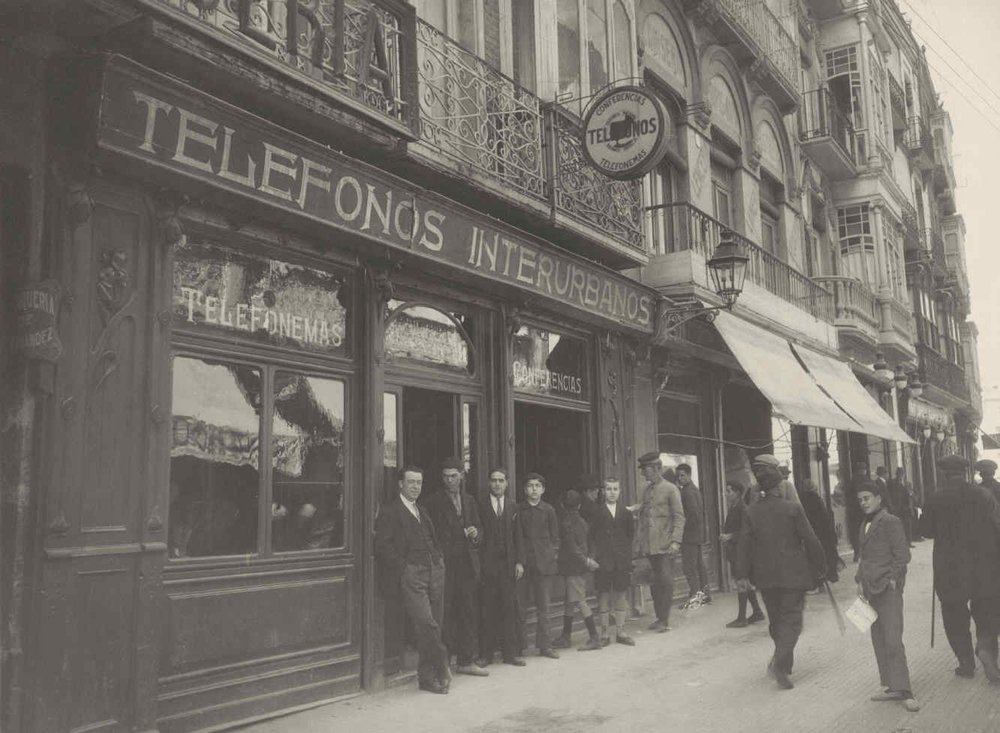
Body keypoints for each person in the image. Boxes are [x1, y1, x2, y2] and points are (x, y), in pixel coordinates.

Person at [735, 454, 826, 690]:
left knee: (776, 621)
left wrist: (742, 575)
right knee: (792, 621)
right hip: (793, 575)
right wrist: (821, 567)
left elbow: (743, 545)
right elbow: (811, 540)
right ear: (780, 485)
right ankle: (780, 663)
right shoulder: (793, 508)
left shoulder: (751, 512)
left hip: (765, 577)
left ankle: (784, 665)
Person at [919, 454, 1000, 682]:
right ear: (966, 473)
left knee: (954, 614)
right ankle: (985, 648)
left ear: (944, 474)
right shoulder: (982, 495)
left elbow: (925, 531)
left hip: (949, 567)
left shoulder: (935, 498)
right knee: (986, 611)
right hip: (982, 564)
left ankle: (965, 663)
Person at [374, 466, 451, 694]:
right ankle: (442, 661)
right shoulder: (391, 511)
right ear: (401, 484)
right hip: (413, 574)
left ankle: (427, 678)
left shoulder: (422, 510)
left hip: (435, 571)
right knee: (426, 623)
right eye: (411, 482)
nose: (415, 487)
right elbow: (383, 546)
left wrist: (439, 561)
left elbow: (433, 540)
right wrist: (404, 569)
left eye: (419, 483)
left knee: (434, 624)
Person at [420, 458, 488, 677]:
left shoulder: (469, 500)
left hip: (467, 566)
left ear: (461, 476)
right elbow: (430, 535)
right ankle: (444, 662)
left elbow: (480, 528)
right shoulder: (433, 502)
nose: (449, 480)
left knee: (468, 611)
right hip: (446, 565)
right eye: (445, 476)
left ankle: (467, 660)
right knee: (445, 614)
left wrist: (476, 534)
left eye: (453, 475)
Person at [855, 481, 919, 712]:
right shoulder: (864, 523)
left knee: (892, 640)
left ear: (879, 498)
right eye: (860, 499)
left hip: (888, 590)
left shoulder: (891, 521)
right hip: (869, 589)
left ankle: (906, 690)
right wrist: (859, 580)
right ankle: (891, 686)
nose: (863, 503)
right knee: (879, 638)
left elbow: (902, 555)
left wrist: (893, 579)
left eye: (867, 498)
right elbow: (864, 556)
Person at [477, 468, 527, 667]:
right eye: (493, 480)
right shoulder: (480, 506)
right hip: (488, 566)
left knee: (509, 609)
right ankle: (485, 655)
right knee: (487, 610)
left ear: (507, 483)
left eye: (501, 480)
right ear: (489, 483)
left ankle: (510, 654)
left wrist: (519, 562)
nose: (497, 484)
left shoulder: (514, 507)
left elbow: (519, 537)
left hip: (508, 566)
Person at [633, 452, 685, 632]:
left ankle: (664, 619)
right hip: (649, 545)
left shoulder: (671, 489)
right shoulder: (647, 490)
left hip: (665, 545)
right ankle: (659, 617)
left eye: (645, 469)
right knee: (654, 583)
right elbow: (644, 516)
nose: (642, 473)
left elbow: (679, 518)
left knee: (665, 582)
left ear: (656, 468)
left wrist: (675, 542)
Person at [517, 473, 561, 659]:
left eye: (537, 486)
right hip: (525, 564)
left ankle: (545, 645)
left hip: (545, 565)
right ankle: (520, 646)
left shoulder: (549, 510)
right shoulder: (519, 510)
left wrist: (551, 554)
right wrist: (519, 560)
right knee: (520, 606)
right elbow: (516, 537)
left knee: (544, 607)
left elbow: (555, 537)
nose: (533, 489)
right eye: (530, 485)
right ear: (525, 489)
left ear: (543, 489)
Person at [552, 490, 602, 651]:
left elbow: (573, 548)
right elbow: (590, 542)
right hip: (579, 567)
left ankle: (594, 637)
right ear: (579, 506)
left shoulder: (566, 523)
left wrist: (586, 561)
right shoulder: (583, 522)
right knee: (570, 600)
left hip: (572, 568)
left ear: (562, 506)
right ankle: (566, 636)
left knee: (580, 601)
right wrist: (590, 559)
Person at [590, 478, 636, 646]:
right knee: (603, 595)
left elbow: (630, 536)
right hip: (603, 561)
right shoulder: (597, 512)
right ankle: (604, 634)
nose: (612, 492)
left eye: (615, 489)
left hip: (621, 561)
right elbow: (592, 535)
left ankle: (621, 631)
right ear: (604, 491)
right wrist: (596, 557)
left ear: (620, 491)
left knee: (621, 594)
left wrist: (626, 557)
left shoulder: (626, 513)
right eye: (608, 489)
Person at [720, 481, 764, 628]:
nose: (726, 494)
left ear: (737, 493)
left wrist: (730, 536)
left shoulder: (742, 509)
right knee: (745, 582)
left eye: (729, 491)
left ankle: (741, 618)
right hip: (736, 550)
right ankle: (757, 611)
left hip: (742, 551)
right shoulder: (734, 507)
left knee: (741, 582)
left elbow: (747, 532)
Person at [677, 463, 712, 608]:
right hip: (697, 535)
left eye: (682, 475)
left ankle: (695, 597)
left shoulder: (687, 492)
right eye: (678, 476)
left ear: (689, 475)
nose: (680, 478)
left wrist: (683, 532)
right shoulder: (694, 489)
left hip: (689, 536)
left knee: (689, 568)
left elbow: (693, 515)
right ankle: (705, 595)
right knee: (699, 566)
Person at [798, 478, 841, 586]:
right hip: (823, 531)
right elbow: (824, 516)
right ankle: (827, 576)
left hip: (813, 530)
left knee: (814, 556)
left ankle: (818, 581)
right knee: (825, 554)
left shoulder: (803, 500)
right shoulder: (817, 498)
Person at [844, 462, 870, 558]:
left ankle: (857, 552)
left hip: (854, 511)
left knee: (855, 531)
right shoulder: (866, 480)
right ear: (863, 470)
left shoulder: (852, 481)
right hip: (865, 510)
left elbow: (847, 495)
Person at [887, 467, 914, 547]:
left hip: (907, 508)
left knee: (908, 526)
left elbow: (913, 495)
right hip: (897, 508)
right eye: (899, 474)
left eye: (902, 474)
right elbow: (889, 495)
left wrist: (911, 495)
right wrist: (892, 506)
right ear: (897, 474)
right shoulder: (892, 483)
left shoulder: (908, 484)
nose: (901, 476)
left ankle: (908, 542)